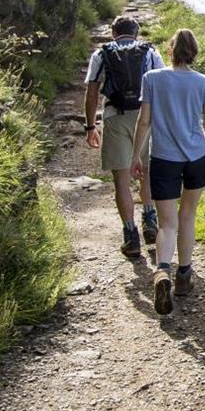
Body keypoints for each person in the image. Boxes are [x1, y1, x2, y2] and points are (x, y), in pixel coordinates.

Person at [130, 29, 205, 315]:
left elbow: (144, 121)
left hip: (163, 158)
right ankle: (184, 276)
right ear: (194, 53)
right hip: (197, 156)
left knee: (167, 223)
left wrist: (135, 155)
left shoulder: (152, 79)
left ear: (170, 51)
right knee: (188, 215)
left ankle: (161, 272)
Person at [84, 16, 165, 258]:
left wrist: (90, 126)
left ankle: (131, 237)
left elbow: (91, 92)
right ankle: (150, 219)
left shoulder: (101, 54)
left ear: (113, 33)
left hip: (115, 116)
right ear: (136, 33)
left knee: (121, 180)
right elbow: (162, 85)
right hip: (146, 117)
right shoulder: (150, 52)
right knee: (147, 173)